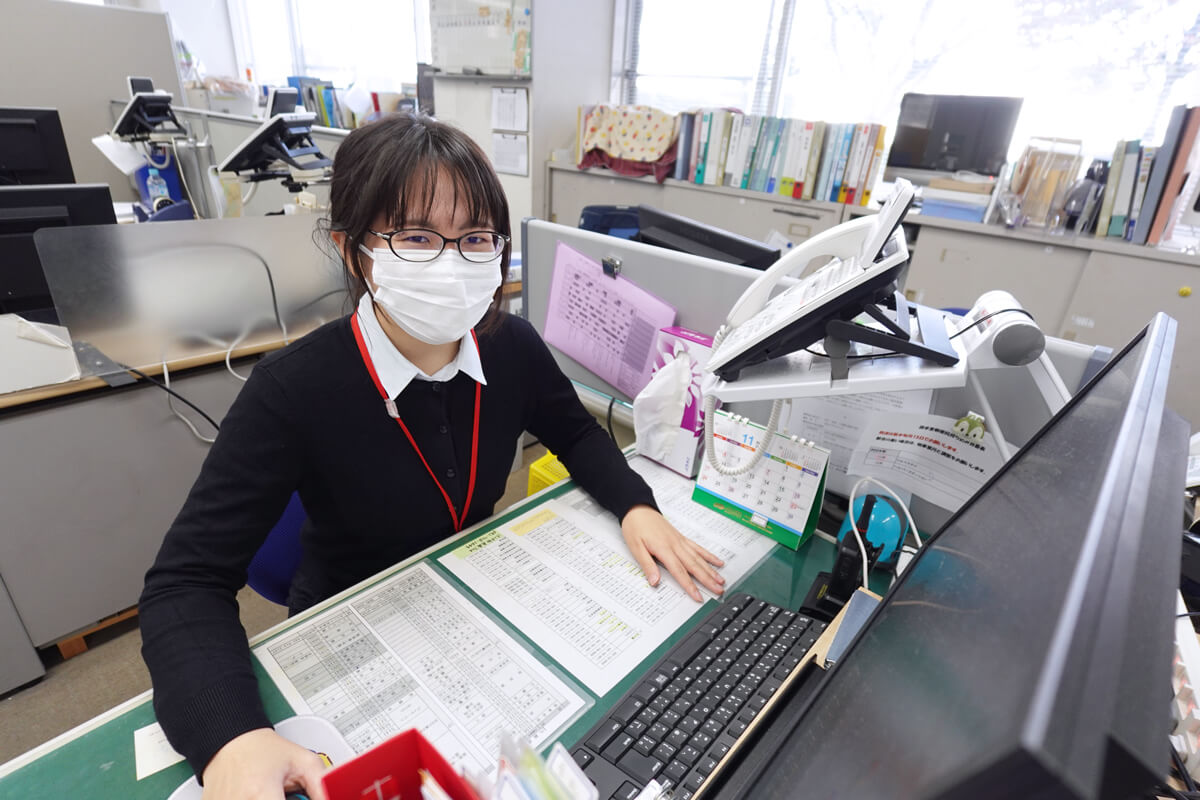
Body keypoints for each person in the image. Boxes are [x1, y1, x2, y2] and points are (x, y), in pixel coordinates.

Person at [138, 113, 726, 798]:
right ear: (354, 250)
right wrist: (230, 739)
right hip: (350, 628)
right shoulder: (294, 388)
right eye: (417, 237)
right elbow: (184, 584)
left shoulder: (512, 347)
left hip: (475, 602)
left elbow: (579, 434)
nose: (451, 262)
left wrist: (633, 505)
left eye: (475, 238)